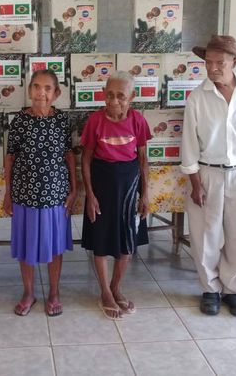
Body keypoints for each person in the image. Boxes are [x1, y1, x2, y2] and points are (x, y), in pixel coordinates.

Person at [180, 35, 236, 316]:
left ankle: (234, 289)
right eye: (208, 62)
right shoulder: (198, 97)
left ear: (234, 62)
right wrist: (195, 183)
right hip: (208, 173)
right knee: (206, 235)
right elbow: (189, 144)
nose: (213, 68)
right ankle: (210, 289)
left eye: (220, 63)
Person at [4, 69, 77, 317]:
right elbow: (10, 158)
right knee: (27, 245)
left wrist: (74, 189)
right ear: (29, 90)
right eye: (36, 86)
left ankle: (54, 293)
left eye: (47, 88)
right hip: (24, 194)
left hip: (56, 194)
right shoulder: (19, 121)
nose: (41, 93)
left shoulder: (62, 120)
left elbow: (69, 155)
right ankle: (28, 292)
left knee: (54, 245)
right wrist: (8, 193)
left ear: (56, 93)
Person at [80, 72, 151, 320]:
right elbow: (86, 159)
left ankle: (115, 288)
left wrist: (145, 193)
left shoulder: (138, 120)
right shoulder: (95, 121)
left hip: (130, 186)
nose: (114, 101)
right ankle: (105, 293)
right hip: (102, 185)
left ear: (132, 97)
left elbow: (143, 159)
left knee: (128, 240)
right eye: (109, 95)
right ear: (103, 94)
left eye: (121, 96)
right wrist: (90, 194)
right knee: (101, 240)